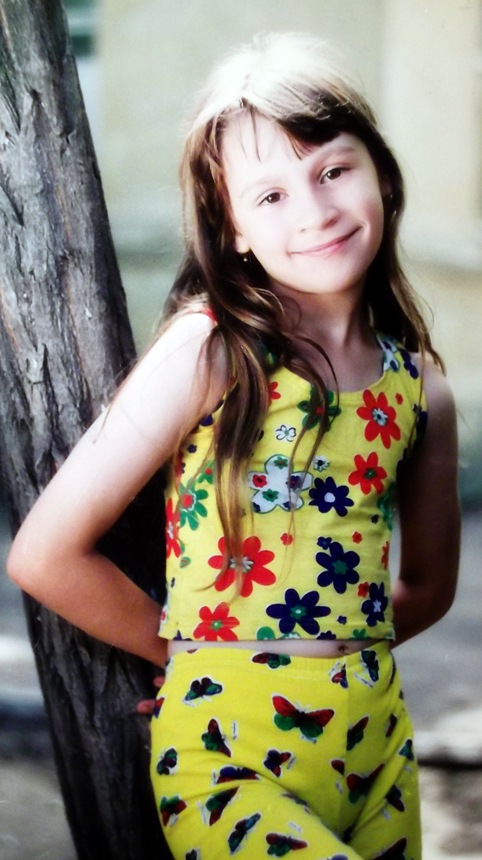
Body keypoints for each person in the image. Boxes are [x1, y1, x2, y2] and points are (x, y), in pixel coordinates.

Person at [8, 32, 459, 860]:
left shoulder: (420, 387)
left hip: (377, 756)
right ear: (234, 228)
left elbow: (428, 587)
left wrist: (335, 654)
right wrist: (193, 652)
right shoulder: (213, 351)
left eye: (332, 170)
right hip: (229, 758)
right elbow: (45, 554)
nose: (314, 211)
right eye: (271, 194)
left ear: (383, 176)